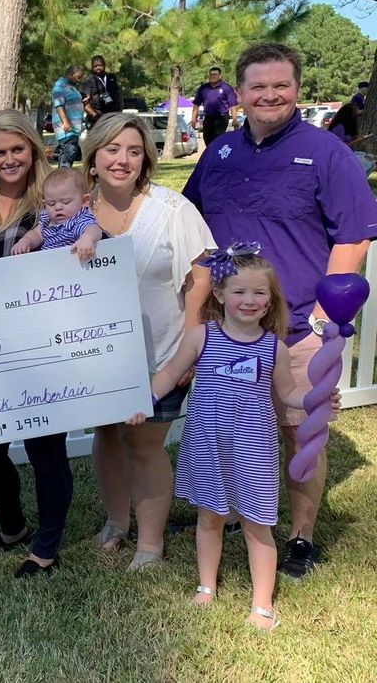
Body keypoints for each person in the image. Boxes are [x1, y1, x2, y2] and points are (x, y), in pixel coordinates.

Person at [183, 43, 377, 581]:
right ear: (238, 93)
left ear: (296, 88)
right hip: (228, 329)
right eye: (258, 86)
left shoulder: (326, 152)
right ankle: (217, 511)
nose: (270, 95)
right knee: (224, 425)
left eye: (281, 85)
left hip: (298, 326)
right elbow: (191, 225)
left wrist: (322, 313)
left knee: (300, 433)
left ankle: (300, 536)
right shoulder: (218, 152)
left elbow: (354, 236)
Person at [126, 245, 340, 630]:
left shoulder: (273, 347)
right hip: (208, 447)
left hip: (253, 451)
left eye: (260, 292)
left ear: (270, 300)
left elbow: (288, 393)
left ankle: (261, 606)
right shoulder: (201, 337)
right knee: (210, 519)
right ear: (220, 295)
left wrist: (316, 398)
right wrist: (146, 399)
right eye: (239, 291)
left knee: (258, 525)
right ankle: (206, 586)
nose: (250, 300)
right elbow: (170, 374)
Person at [82, 113, 216, 569]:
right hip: (94, 358)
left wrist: (192, 338)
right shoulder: (72, 211)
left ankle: (151, 544)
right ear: (93, 158)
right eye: (112, 150)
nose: (122, 160)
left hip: (161, 350)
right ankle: (118, 521)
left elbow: (201, 273)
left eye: (134, 151)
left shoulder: (172, 210)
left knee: (143, 443)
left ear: (146, 160)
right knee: (108, 435)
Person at [0, 109, 76, 578]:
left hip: (42, 342)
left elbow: (91, 241)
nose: (9, 159)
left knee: (45, 449)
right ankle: (13, 526)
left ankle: (46, 548)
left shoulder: (53, 201)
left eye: (18, 149)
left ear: (33, 150)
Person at [11, 168, 101, 259]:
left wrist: (87, 238)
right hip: (48, 264)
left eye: (66, 202)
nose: (57, 207)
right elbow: (36, 234)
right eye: (51, 204)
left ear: (84, 201)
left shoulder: (78, 219)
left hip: (72, 262)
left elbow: (93, 228)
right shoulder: (47, 220)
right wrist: (25, 241)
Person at [191, 67, 239, 146]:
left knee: (217, 139)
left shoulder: (226, 88)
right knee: (207, 138)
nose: (212, 76)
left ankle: (217, 156)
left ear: (220, 76)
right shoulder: (203, 88)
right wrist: (193, 119)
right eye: (211, 74)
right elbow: (196, 105)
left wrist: (234, 119)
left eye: (215, 74)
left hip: (221, 117)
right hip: (208, 117)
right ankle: (210, 156)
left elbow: (233, 105)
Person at [51, 65, 85, 168]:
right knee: (68, 153)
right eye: (78, 77)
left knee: (71, 153)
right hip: (66, 128)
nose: (79, 80)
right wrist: (65, 121)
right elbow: (59, 105)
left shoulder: (71, 87)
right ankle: (63, 179)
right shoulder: (59, 86)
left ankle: (64, 178)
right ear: (71, 74)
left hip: (74, 127)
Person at [327, 103, 376, 175]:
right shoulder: (339, 127)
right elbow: (338, 147)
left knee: (372, 158)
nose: (357, 117)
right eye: (355, 114)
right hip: (341, 157)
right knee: (367, 162)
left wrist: (359, 139)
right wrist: (357, 141)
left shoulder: (347, 126)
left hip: (349, 153)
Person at [82, 56, 120, 129]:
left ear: (104, 65)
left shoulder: (111, 77)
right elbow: (84, 102)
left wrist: (119, 111)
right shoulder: (88, 80)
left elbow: (119, 95)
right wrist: (95, 115)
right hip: (97, 119)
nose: (98, 68)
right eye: (95, 66)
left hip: (112, 117)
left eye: (100, 65)